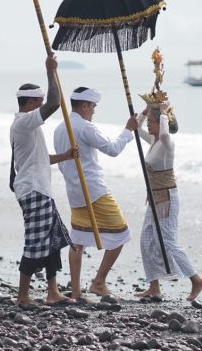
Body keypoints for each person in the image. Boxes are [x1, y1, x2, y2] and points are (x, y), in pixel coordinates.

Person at [53, 86, 138, 300]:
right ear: (84, 106)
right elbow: (113, 150)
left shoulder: (60, 127)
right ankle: (99, 282)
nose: (94, 111)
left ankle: (76, 291)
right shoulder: (85, 127)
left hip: (74, 190)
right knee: (122, 233)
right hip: (94, 190)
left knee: (78, 240)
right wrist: (128, 130)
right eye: (93, 106)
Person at [11, 55, 77, 306]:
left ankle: (52, 292)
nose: (41, 106)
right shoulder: (24, 122)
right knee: (35, 242)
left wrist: (66, 156)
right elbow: (54, 103)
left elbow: (40, 158)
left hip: (40, 188)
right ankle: (22, 296)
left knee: (53, 240)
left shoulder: (28, 125)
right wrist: (51, 71)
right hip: (33, 190)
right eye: (38, 102)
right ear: (31, 103)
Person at [135, 103, 202, 300]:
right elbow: (136, 127)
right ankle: (154, 287)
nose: (149, 125)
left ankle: (196, 280)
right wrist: (147, 109)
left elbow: (166, 135)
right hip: (153, 197)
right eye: (149, 122)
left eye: (153, 123)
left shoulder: (167, 144)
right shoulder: (152, 141)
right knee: (146, 239)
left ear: (162, 124)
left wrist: (164, 113)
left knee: (167, 241)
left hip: (167, 198)